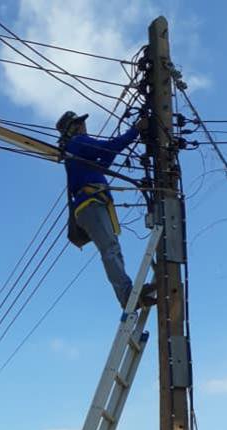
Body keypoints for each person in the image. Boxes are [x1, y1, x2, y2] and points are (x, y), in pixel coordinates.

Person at [57, 110, 152, 312]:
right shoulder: (78, 143)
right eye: (79, 123)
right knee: (110, 250)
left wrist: (128, 137)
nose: (83, 126)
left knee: (113, 249)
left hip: (92, 205)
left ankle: (129, 293)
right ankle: (127, 295)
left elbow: (105, 158)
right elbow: (108, 148)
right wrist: (135, 130)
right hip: (90, 204)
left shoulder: (76, 152)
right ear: (72, 128)